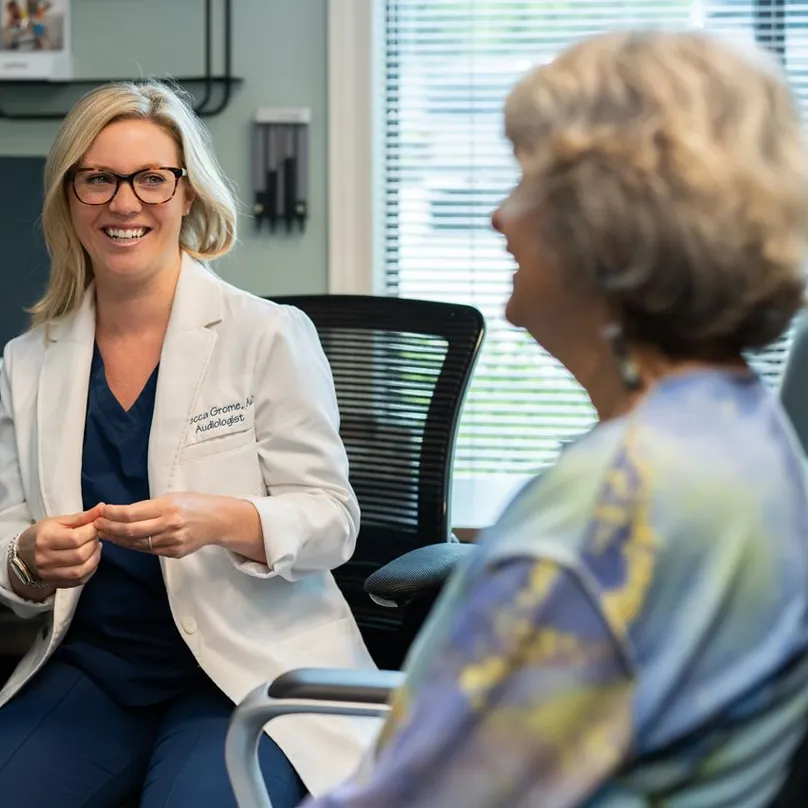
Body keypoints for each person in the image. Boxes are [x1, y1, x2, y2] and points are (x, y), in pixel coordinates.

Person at [299, 29, 808, 808]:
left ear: (605, 222)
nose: (501, 217)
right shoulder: (743, 434)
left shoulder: (613, 514)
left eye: (526, 179)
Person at [0, 80, 377, 808]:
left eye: (151, 178)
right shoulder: (28, 361)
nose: (124, 202)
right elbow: (8, 533)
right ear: (69, 198)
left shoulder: (266, 333)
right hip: (96, 671)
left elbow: (334, 519)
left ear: (188, 195)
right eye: (98, 178)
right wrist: (26, 557)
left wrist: (221, 519)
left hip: (244, 671)